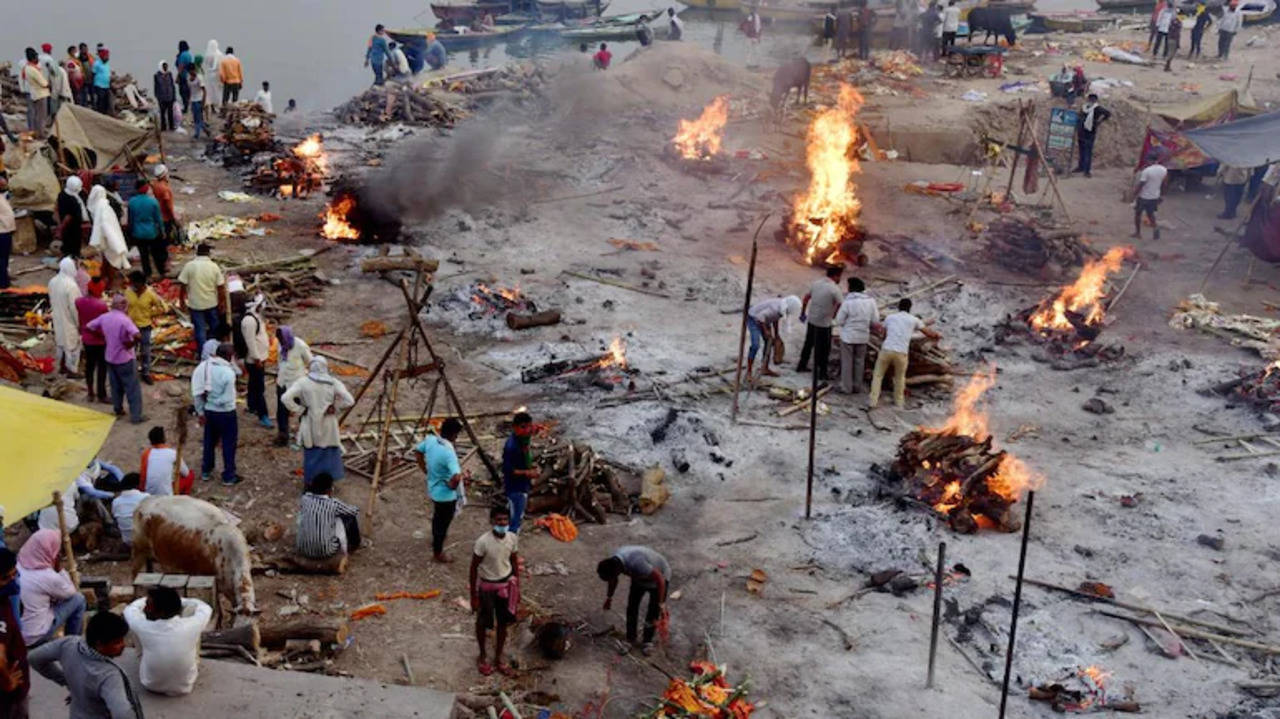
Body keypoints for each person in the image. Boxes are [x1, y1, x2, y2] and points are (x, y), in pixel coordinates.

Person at [28, 611, 144, 718]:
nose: (123, 645)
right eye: (117, 642)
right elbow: (122, 713)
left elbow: (34, 658)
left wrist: (64, 680)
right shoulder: (109, 676)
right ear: (99, 644)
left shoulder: (68, 644)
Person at [123, 587, 211, 696]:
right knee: (196, 632)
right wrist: (180, 601)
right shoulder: (191, 625)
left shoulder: (143, 626)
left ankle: (145, 660)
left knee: (134, 627)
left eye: (148, 606)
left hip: (150, 684)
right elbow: (204, 607)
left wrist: (144, 600)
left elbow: (130, 609)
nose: (145, 609)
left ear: (161, 612)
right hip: (185, 686)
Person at [282, 357, 354, 487]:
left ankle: (310, 485)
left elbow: (285, 398)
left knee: (312, 455)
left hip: (310, 423)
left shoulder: (302, 382)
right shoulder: (333, 382)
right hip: (328, 425)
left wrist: (300, 410)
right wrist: (336, 407)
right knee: (328, 455)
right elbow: (349, 401)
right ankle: (326, 486)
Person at [469, 505, 520, 676]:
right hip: (487, 587)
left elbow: (514, 562)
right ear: (492, 521)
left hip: (505, 586)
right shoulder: (483, 542)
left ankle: (498, 657)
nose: (502, 523)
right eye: (498, 520)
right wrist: (473, 596)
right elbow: (473, 568)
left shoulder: (512, 538)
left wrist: (517, 587)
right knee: (483, 622)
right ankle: (482, 655)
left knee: (503, 624)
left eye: (505, 520)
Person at [868, 298, 941, 409]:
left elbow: (883, 334)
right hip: (901, 352)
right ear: (910, 308)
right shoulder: (914, 320)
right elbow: (928, 333)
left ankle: (873, 401)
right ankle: (899, 402)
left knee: (878, 376)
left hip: (887, 349)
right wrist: (936, 335)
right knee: (899, 378)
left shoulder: (890, 318)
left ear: (899, 307)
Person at [16, 530, 86, 647]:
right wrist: (59, 569)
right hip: (35, 636)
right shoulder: (48, 576)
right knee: (79, 600)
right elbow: (70, 592)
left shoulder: (17, 565)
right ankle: (73, 643)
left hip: (16, 633)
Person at [414, 418, 469, 563]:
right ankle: (438, 552)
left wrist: (424, 469)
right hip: (446, 496)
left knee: (437, 518)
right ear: (453, 435)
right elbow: (457, 476)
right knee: (443, 523)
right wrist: (452, 485)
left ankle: (436, 540)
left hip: (433, 490)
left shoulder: (431, 440)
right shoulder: (449, 453)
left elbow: (418, 451)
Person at [597, 546, 670, 655]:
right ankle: (630, 638)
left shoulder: (637, 563)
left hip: (659, 578)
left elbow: (659, 579)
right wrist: (609, 597)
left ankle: (647, 641)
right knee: (632, 607)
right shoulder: (614, 562)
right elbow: (613, 581)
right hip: (639, 578)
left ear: (617, 571)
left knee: (653, 610)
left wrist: (661, 603)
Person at [87, 294, 146, 423]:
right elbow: (137, 335)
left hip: (110, 357)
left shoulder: (105, 317)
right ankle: (136, 416)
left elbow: (89, 326)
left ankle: (118, 409)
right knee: (132, 388)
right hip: (125, 358)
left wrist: (103, 336)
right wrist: (130, 344)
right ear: (124, 305)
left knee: (116, 386)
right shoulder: (124, 320)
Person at [194, 343, 240, 485]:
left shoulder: (204, 367)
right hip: (226, 413)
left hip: (209, 411)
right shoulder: (228, 373)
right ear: (229, 356)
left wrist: (201, 410)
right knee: (228, 443)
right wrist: (216, 401)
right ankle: (229, 475)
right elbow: (227, 398)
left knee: (209, 441)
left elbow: (197, 392)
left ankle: (206, 470)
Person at [297, 473, 361, 562]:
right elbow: (354, 511)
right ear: (328, 490)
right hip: (326, 551)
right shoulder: (333, 504)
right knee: (349, 517)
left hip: (303, 549)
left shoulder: (304, 499)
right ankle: (354, 545)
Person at [797, 264, 845, 383]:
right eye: (839, 277)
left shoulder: (816, 284)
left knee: (809, 343)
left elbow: (806, 298)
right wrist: (833, 315)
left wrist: (803, 312)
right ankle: (822, 372)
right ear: (836, 276)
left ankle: (801, 365)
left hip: (812, 319)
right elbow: (840, 303)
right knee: (824, 348)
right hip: (824, 323)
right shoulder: (834, 288)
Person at [178, 243, 227, 350]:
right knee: (214, 328)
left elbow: (183, 285)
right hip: (211, 303)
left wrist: (182, 301)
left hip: (195, 304)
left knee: (200, 330)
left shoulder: (189, 266)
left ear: (197, 253)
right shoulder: (214, 267)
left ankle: (203, 354)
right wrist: (222, 302)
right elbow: (220, 287)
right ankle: (215, 351)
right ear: (208, 253)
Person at [834, 278, 878, 395]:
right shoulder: (871, 302)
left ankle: (846, 387)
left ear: (852, 288)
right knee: (859, 362)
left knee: (847, 362)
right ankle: (856, 386)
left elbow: (839, 320)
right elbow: (875, 320)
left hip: (848, 336)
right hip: (863, 336)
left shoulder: (848, 302)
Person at [0, 548, 30, 718]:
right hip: (8, 698)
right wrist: (7, 682)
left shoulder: (5, 601)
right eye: (5, 578)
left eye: (14, 574)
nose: (12, 581)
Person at [237, 293, 273, 429]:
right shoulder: (249, 321)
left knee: (253, 383)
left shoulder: (255, 318)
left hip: (259, 358)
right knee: (259, 388)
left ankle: (251, 406)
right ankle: (263, 415)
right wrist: (257, 358)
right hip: (254, 360)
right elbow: (250, 342)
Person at [273, 325, 313, 447]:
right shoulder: (281, 346)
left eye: (281, 338)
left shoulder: (300, 345)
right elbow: (280, 361)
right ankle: (283, 435)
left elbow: (310, 362)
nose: (280, 341)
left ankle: (305, 436)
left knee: (302, 410)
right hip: (283, 383)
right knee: (281, 411)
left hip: (297, 384)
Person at [746, 295, 802, 380]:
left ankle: (765, 368)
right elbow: (760, 317)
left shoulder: (780, 308)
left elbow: (775, 319)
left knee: (769, 342)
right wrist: (765, 331)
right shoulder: (775, 309)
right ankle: (749, 372)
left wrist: (776, 334)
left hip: (764, 319)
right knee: (755, 345)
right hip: (754, 318)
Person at [125, 272, 164, 385]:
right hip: (131, 326)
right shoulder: (128, 292)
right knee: (130, 351)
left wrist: (151, 314)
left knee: (145, 351)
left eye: (136, 285)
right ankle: (131, 373)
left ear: (142, 284)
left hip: (145, 326)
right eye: (133, 284)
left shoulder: (150, 294)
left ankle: (145, 373)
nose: (134, 287)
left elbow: (161, 307)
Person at [88, 184, 129, 288]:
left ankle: (108, 283)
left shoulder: (102, 207)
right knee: (108, 261)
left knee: (110, 261)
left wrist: (111, 242)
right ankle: (105, 282)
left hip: (109, 239)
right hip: (108, 239)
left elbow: (104, 226)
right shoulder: (103, 205)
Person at [49, 256, 84, 378]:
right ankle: (72, 370)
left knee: (61, 342)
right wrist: (79, 323)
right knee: (72, 345)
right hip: (69, 319)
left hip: (57, 316)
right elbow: (75, 308)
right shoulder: (71, 286)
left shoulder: (53, 281)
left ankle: (62, 366)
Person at [503, 412, 538, 534]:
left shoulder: (522, 440)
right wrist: (527, 472)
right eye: (523, 427)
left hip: (522, 485)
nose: (527, 430)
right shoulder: (511, 447)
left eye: (529, 426)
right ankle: (510, 548)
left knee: (516, 515)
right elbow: (508, 470)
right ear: (514, 427)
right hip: (515, 487)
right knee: (515, 520)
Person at [77, 277, 109, 401]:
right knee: (102, 367)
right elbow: (104, 323)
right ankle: (101, 394)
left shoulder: (79, 301)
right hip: (100, 340)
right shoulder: (101, 305)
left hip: (86, 338)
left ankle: (90, 392)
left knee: (89, 366)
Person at [127, 181, 165, 279]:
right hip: (152, 232)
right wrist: (162, 231)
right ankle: (161, 272)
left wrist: (130, 232)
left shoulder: (132, 202)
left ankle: (148, 274)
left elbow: (130, 220)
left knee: (144, 256)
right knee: (156, 253)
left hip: (138, 233)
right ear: (146, 188)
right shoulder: (153, 201)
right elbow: (158, 219)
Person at [141, 426, 193, 496]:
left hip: (149, 493)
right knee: (191, 475)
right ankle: (184, 496)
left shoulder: (146, 454)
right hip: (167, 495)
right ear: (163, 438)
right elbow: (186, 473)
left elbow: (143, 477)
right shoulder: (172, 453)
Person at [1073, 94, 1111, 178]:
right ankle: (1081, 167)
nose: (1091, 101)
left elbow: (1108, 114)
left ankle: (1087, 171)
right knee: (1082, 150)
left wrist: (1098, 122)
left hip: (1090, 132)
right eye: (1090, 99)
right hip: (1082, 131)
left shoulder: (1097, 108)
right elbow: (1079, 116)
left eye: (1092, 99)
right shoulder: (1084, 107)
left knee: (1088, 151)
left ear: (1095, 100)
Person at [1133, 153, 1168, 239]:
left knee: (1138, 214)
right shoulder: (1163, 170)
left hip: (1144, 196)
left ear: (1149, 160)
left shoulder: (1147, 171)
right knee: (1150, 214)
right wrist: (1162, 195)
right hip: (1154, 196)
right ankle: (1155, 227)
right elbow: (1164, 184)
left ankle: (1138, 233)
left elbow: (1141, 184)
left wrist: (1134, 194)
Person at [56, 176, 89, 259]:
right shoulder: (71, 200)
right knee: (72, 242)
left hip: (69, 224)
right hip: (72, 225)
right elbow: (69, 216)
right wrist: (61, 227)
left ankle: (70, 256)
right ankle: (72, 258)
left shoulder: (63, 194)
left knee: (68, 240)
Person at [111, 472, 148, 545]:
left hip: (127, 541)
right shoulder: (146, 497)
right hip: (145, 541)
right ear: (138, 485)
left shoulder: (116, 502)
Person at [21, 48, 50, 137]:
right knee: (41, 116)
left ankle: (37, 132)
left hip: (35, 93)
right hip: (40, 94)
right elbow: (43, 83)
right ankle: (40, 133)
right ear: (33, 59)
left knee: (37, 115)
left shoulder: (27, 68)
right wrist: (49, 84)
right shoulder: (32, 69)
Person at [151, 165, 177, 244]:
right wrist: (173, 217)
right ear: (164, 175)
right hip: (166, 216)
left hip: (158, 214)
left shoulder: (155, 185)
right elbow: (168, 205)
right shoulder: (165, 189)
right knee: (167, 235)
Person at [153, 61, 176, 131]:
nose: (165, 68)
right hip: (162, 98)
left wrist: (174, 96)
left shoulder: (169, 74)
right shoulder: (157, 75)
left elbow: (172, 85)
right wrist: (157, 96)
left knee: (170, 113)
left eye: (166, 66)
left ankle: (171, 127)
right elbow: (156, 87)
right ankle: (163, 127)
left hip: (170, 96)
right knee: (162, 113)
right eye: (164, 66)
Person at [203, 40, 224, 113]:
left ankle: (211, 106)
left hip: (209, 75)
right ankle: (218, 106)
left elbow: (205, 64)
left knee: (210, 91)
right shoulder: (219, 54)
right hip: (216, 74)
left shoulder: (207, 55)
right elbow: (221, 65)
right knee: (217, 91)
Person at [91, 47, 112, 116]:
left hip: (106, 86)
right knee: (100, 101)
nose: (107, 57)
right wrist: (93, 86)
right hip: (99, 85)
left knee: (106, 102)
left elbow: (108, 73)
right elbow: (93, 74)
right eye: (106, 56)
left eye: (108, 56)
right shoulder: (97, 64)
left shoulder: (107, 64)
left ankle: (105, 114)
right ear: (102, 56)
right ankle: (99, 114)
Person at [174, 41, 194, 112]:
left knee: (183, 91)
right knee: (188, 91)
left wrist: (177, 76)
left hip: (183, 75)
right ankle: (188, 105)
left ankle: (186, 107)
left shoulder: (182, 55)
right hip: (188, 75)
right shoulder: (189, 54)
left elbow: (181, 66)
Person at [188, 63, 207, 138]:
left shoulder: (199, 78)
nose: (191, 72)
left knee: (198, 118)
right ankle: (205, 130)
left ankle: (197, 134)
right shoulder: (189, 78)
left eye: (192, 71)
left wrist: (203, 102)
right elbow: (190, 90)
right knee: (196, 118)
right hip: (193, 100)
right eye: (190, 71)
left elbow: (204, 91)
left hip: (199, 100)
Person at [0, 178, 12, 290]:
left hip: (6, 230)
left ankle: (5, 279)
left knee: (5, 258)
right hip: (1, 232)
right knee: (2, 259)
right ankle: (3, 283)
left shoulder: (2, 196)